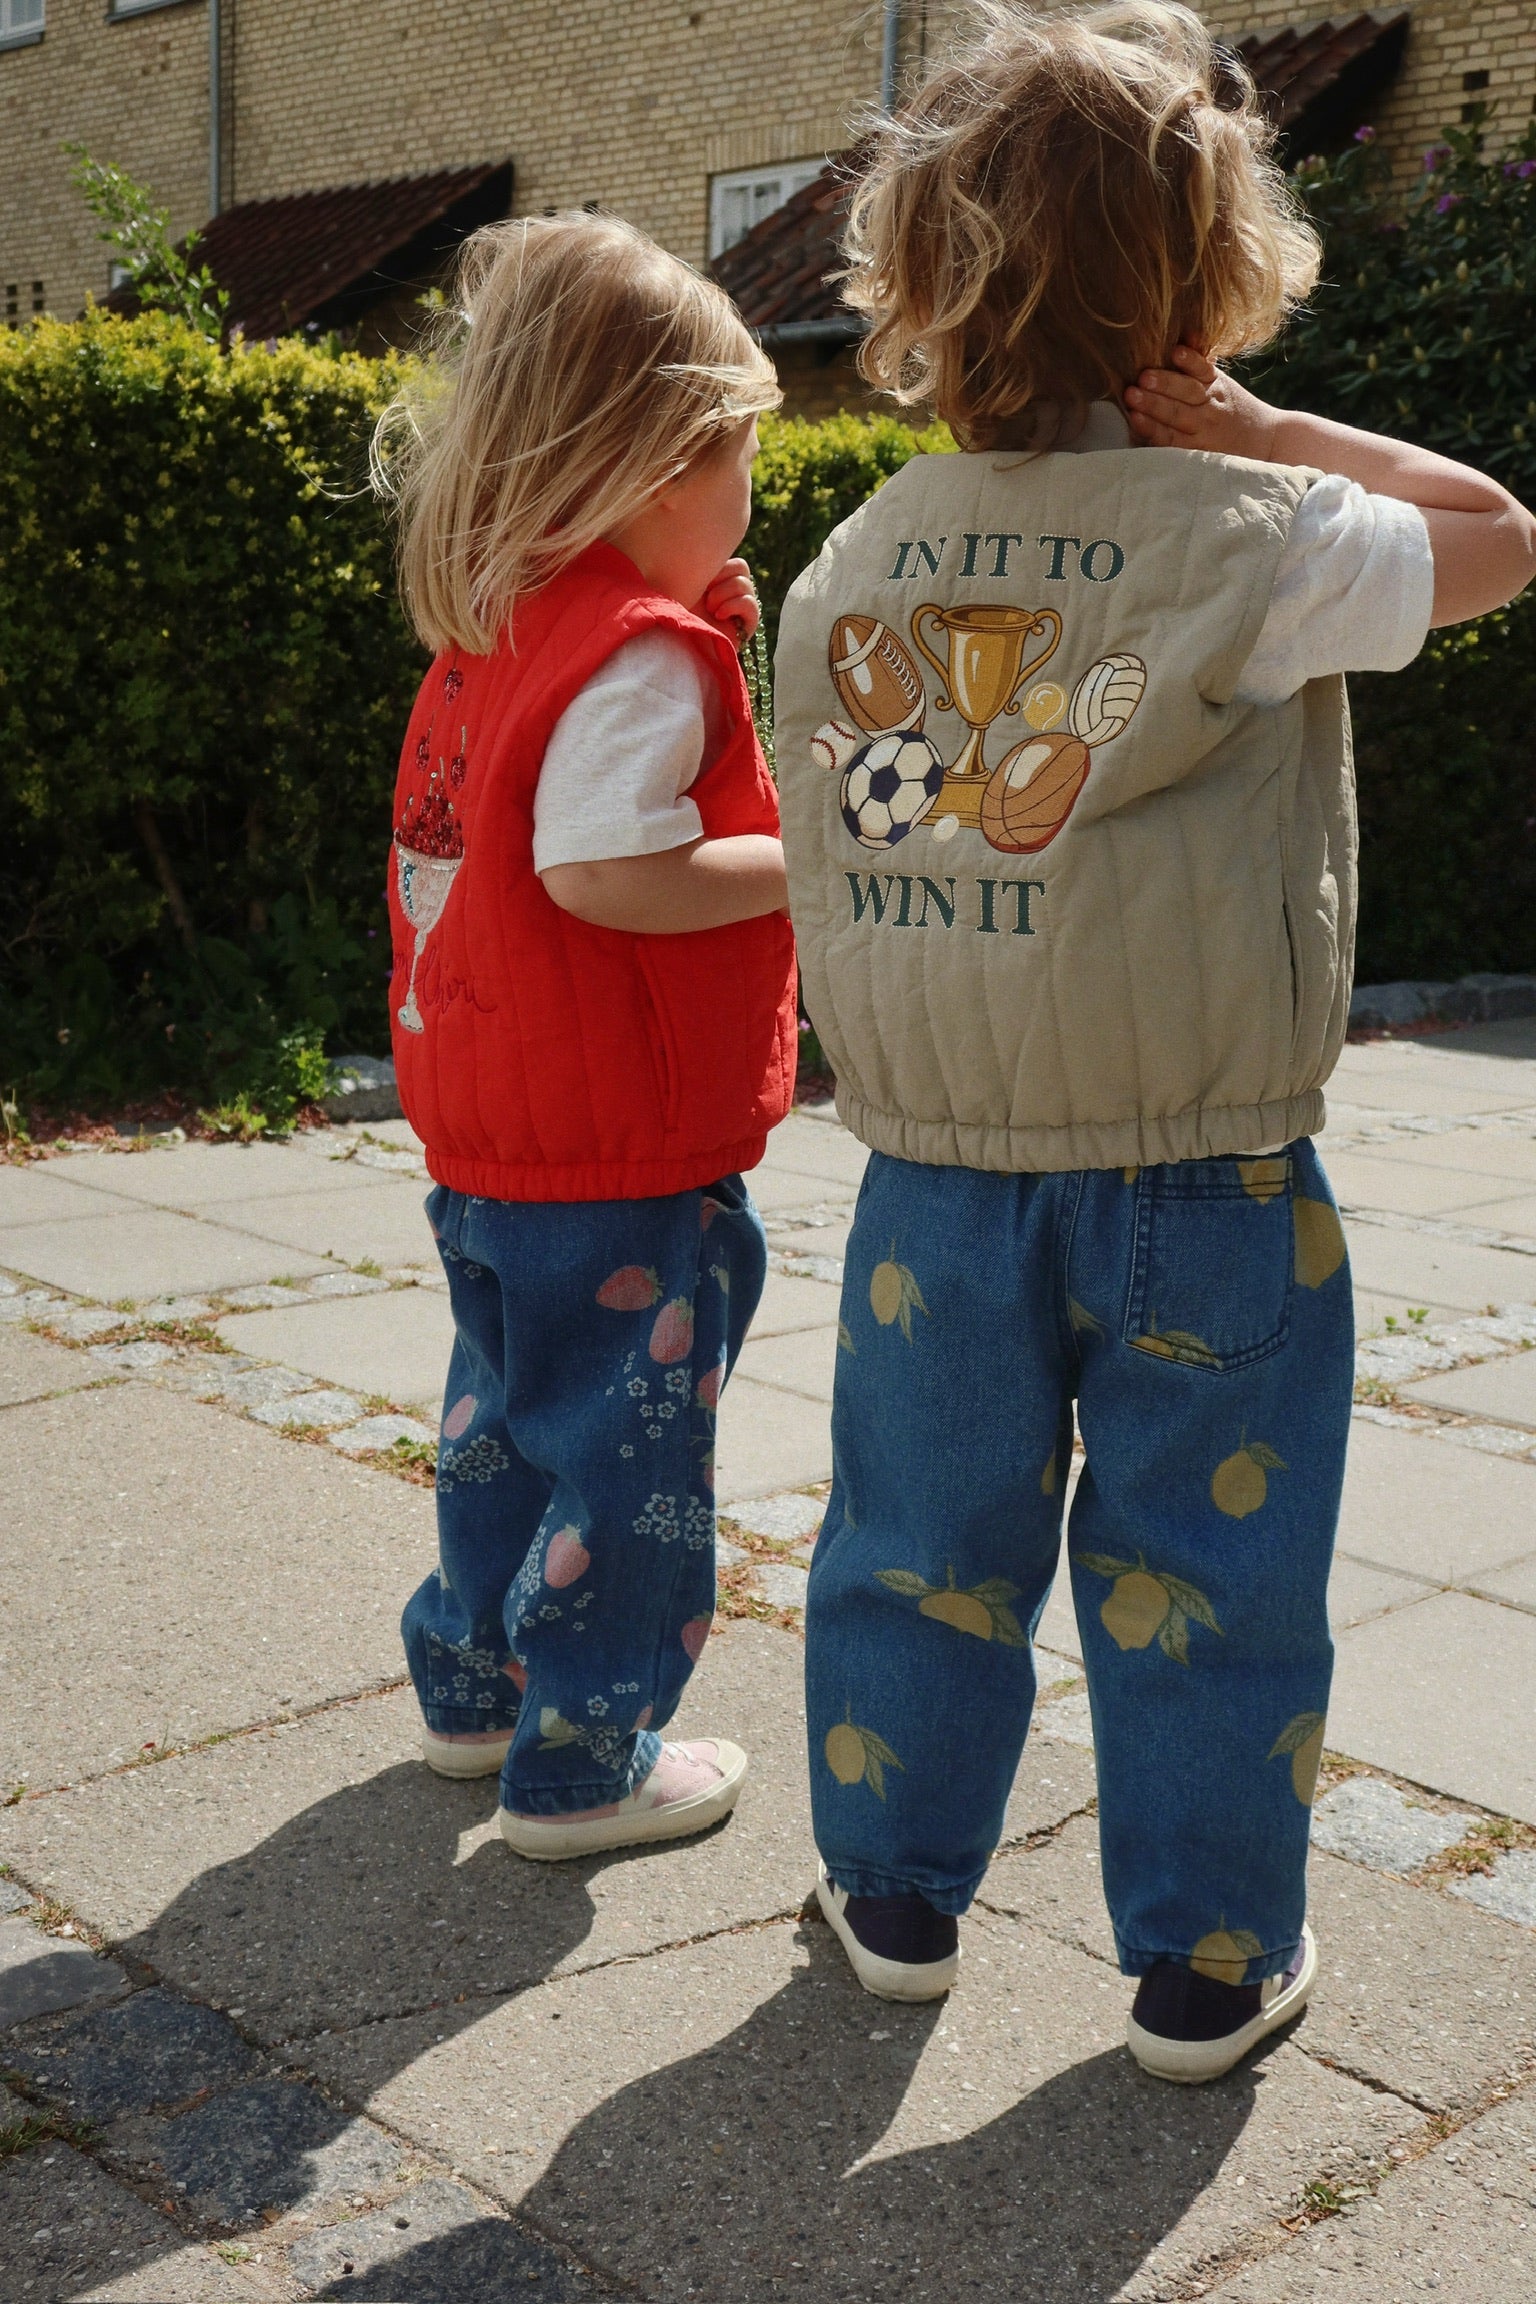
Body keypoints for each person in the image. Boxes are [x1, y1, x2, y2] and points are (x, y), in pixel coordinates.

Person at [774, 0, 1536, 2081]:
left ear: (922, 284)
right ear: (1205, 289)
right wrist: (1273, 432)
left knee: (917, 1544)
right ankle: (1208, 1959)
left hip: (939, 1174)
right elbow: (1500, 534)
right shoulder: (1258, 537)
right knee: (1210, 1565)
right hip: (1208, 1172)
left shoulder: (856, 559)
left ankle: (894, 1889)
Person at [375, 213, 796, 1862]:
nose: (753, 489)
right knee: (629, 1466)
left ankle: (473, 1689)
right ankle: (586, 1758)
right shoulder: (636, 659)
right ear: (658, 464)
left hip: (496, 1128)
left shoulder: (503, 628)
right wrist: (816, 863)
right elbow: (606, 869)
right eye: (742, 457)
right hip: (619, 1149)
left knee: (503, 1421)